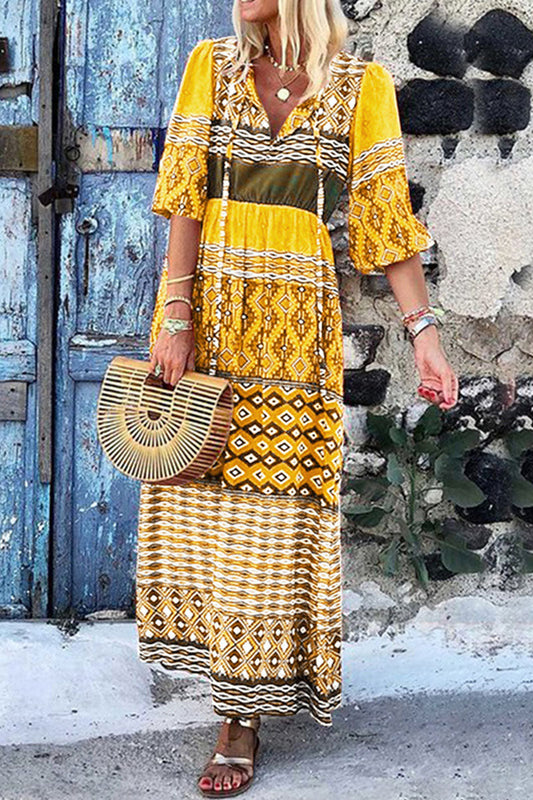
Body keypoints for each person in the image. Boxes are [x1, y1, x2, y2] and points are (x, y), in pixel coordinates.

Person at [136, 0, 459, 795]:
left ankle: (241, 718)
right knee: (205, 505)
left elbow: (385, 221)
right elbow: (183, 199)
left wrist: (423, 334)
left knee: (273, 521)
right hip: (208, 319)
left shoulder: (359, 85)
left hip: (293, 330)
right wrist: (174, 314)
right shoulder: (212, 67)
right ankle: (230, 698)